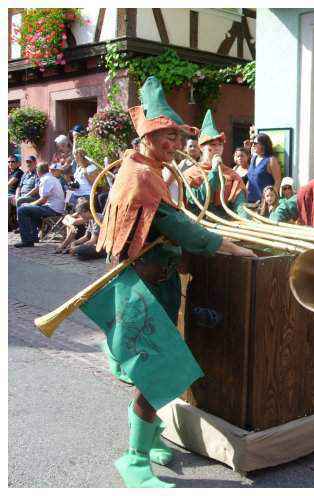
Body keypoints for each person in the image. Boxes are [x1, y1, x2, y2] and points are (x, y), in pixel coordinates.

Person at [77, 77, 255, 488]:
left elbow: (169, 222)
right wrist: (233, 248)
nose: (174, 144)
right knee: (154, 374)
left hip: (155, 285)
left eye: (176, 137)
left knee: (154, 371)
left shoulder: (146, 168)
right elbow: (181, 229)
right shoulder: (141, 176)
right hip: (144, 290)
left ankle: (153, 434)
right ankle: (135, 460)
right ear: (147, 135)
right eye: (166, 137)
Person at [182, 110, 248, 219]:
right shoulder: (190, 174)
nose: (217, 148)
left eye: (220, 145)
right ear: (202, 148)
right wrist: (214, 171)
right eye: (212, 145)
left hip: (228, 227)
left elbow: (240, 205)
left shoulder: (232, 175)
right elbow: (200, 200)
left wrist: (246, 222)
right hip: (201, 225)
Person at [15, 162, 66, 248]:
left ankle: (27, 241)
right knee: (29, 209)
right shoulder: (50, 178)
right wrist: (30, 205)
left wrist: (29, 204)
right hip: (53, 207)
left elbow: (43, 200)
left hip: (53, 209)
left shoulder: (46, 179)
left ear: (38, 171)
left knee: (22, 210)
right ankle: (33, 238)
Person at [246, 132, 282, 203]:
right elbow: (250, 179)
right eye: (252, 143)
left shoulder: (271, 160)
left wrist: (271, 199)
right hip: (250, 200)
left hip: (264, 202)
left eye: (255, 143)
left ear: (263, 145)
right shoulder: (253, 158)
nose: (253, 145)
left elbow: (277, 181)